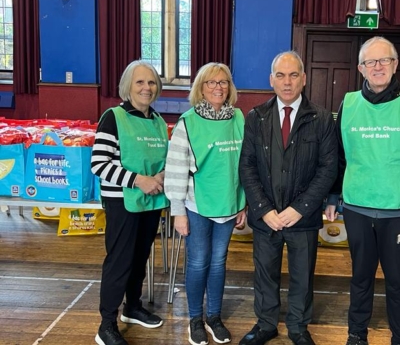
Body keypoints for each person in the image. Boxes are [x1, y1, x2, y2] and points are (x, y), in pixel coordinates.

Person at [325, 36, 400, 345]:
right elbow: (339, 156)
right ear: (361, 68)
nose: (378, 67)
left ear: (395, 64)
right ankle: (356, 335)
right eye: (370, 62)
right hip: (358, 210)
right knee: (360, 279)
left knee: (397, 282)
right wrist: (333, 197)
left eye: (384, 60)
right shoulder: (348, 104)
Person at [238, 51, 338, 345]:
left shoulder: (321, 118)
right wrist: (263, 208)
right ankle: (266, 324)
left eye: (293, 75)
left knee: (302, 276)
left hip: (302, 218)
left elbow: (328, 167)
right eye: (280, 75)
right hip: (266, 217)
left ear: (304, 79)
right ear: (271, 80)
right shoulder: (256, 117)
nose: (287, 82)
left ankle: (298, 327)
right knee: (265, 274)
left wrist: (300, 208)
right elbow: (247, 165)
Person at [164, 62, 246, 345]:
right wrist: (178, 212)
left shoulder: (238, 118)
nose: (218, 87)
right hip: (196, 205)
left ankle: (214, 317)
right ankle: (195, 319)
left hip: (229, 204)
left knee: (219, 263)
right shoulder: (188, 122)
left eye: (223, 82)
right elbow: (175, 169)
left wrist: (243, 204)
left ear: (230, 87)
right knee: (199, 262)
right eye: (211, 82)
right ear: (200, 87)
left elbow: (244, 165)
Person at [91, 60, 169, 345]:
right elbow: (99, 164)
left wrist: (161, 174)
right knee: (119, 260)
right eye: (140, 82)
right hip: (122, 201)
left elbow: (163, 159)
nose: (146, 88)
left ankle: (132, 307)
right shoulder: (113, 117)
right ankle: (106, 325)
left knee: (140, 258)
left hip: (151, 202)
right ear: (128, 86)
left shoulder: (158, 121)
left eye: (151, 82)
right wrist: (138, 180)